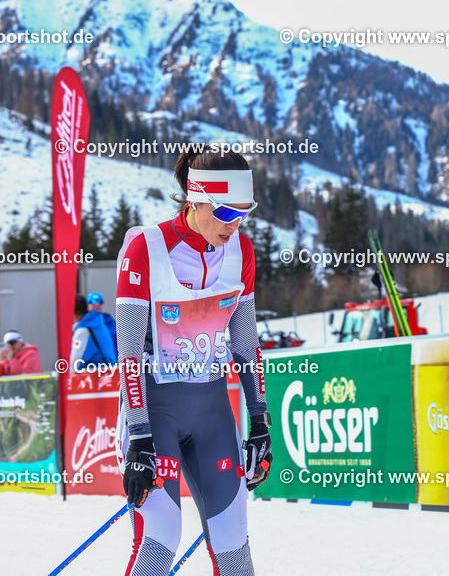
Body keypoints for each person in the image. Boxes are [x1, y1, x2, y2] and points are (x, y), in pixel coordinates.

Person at [115, 148, 269, 575]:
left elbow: (245, 341)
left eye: (243, 212)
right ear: (194, 197)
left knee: (234, 551)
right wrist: (141, 437)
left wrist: (259, 422)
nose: (233, 223)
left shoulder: (242, 251)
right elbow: (127, 352)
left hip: (212, 413)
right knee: (159, 545)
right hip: (153, 412)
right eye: (224, 212)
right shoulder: (146, 247)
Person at [71, 294, 117, 372]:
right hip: (109, 372)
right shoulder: (100, 324)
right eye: (93, 301)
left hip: (96, 375)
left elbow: (74, 363)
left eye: (100, 301)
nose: (97, 304)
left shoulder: (83, 330)